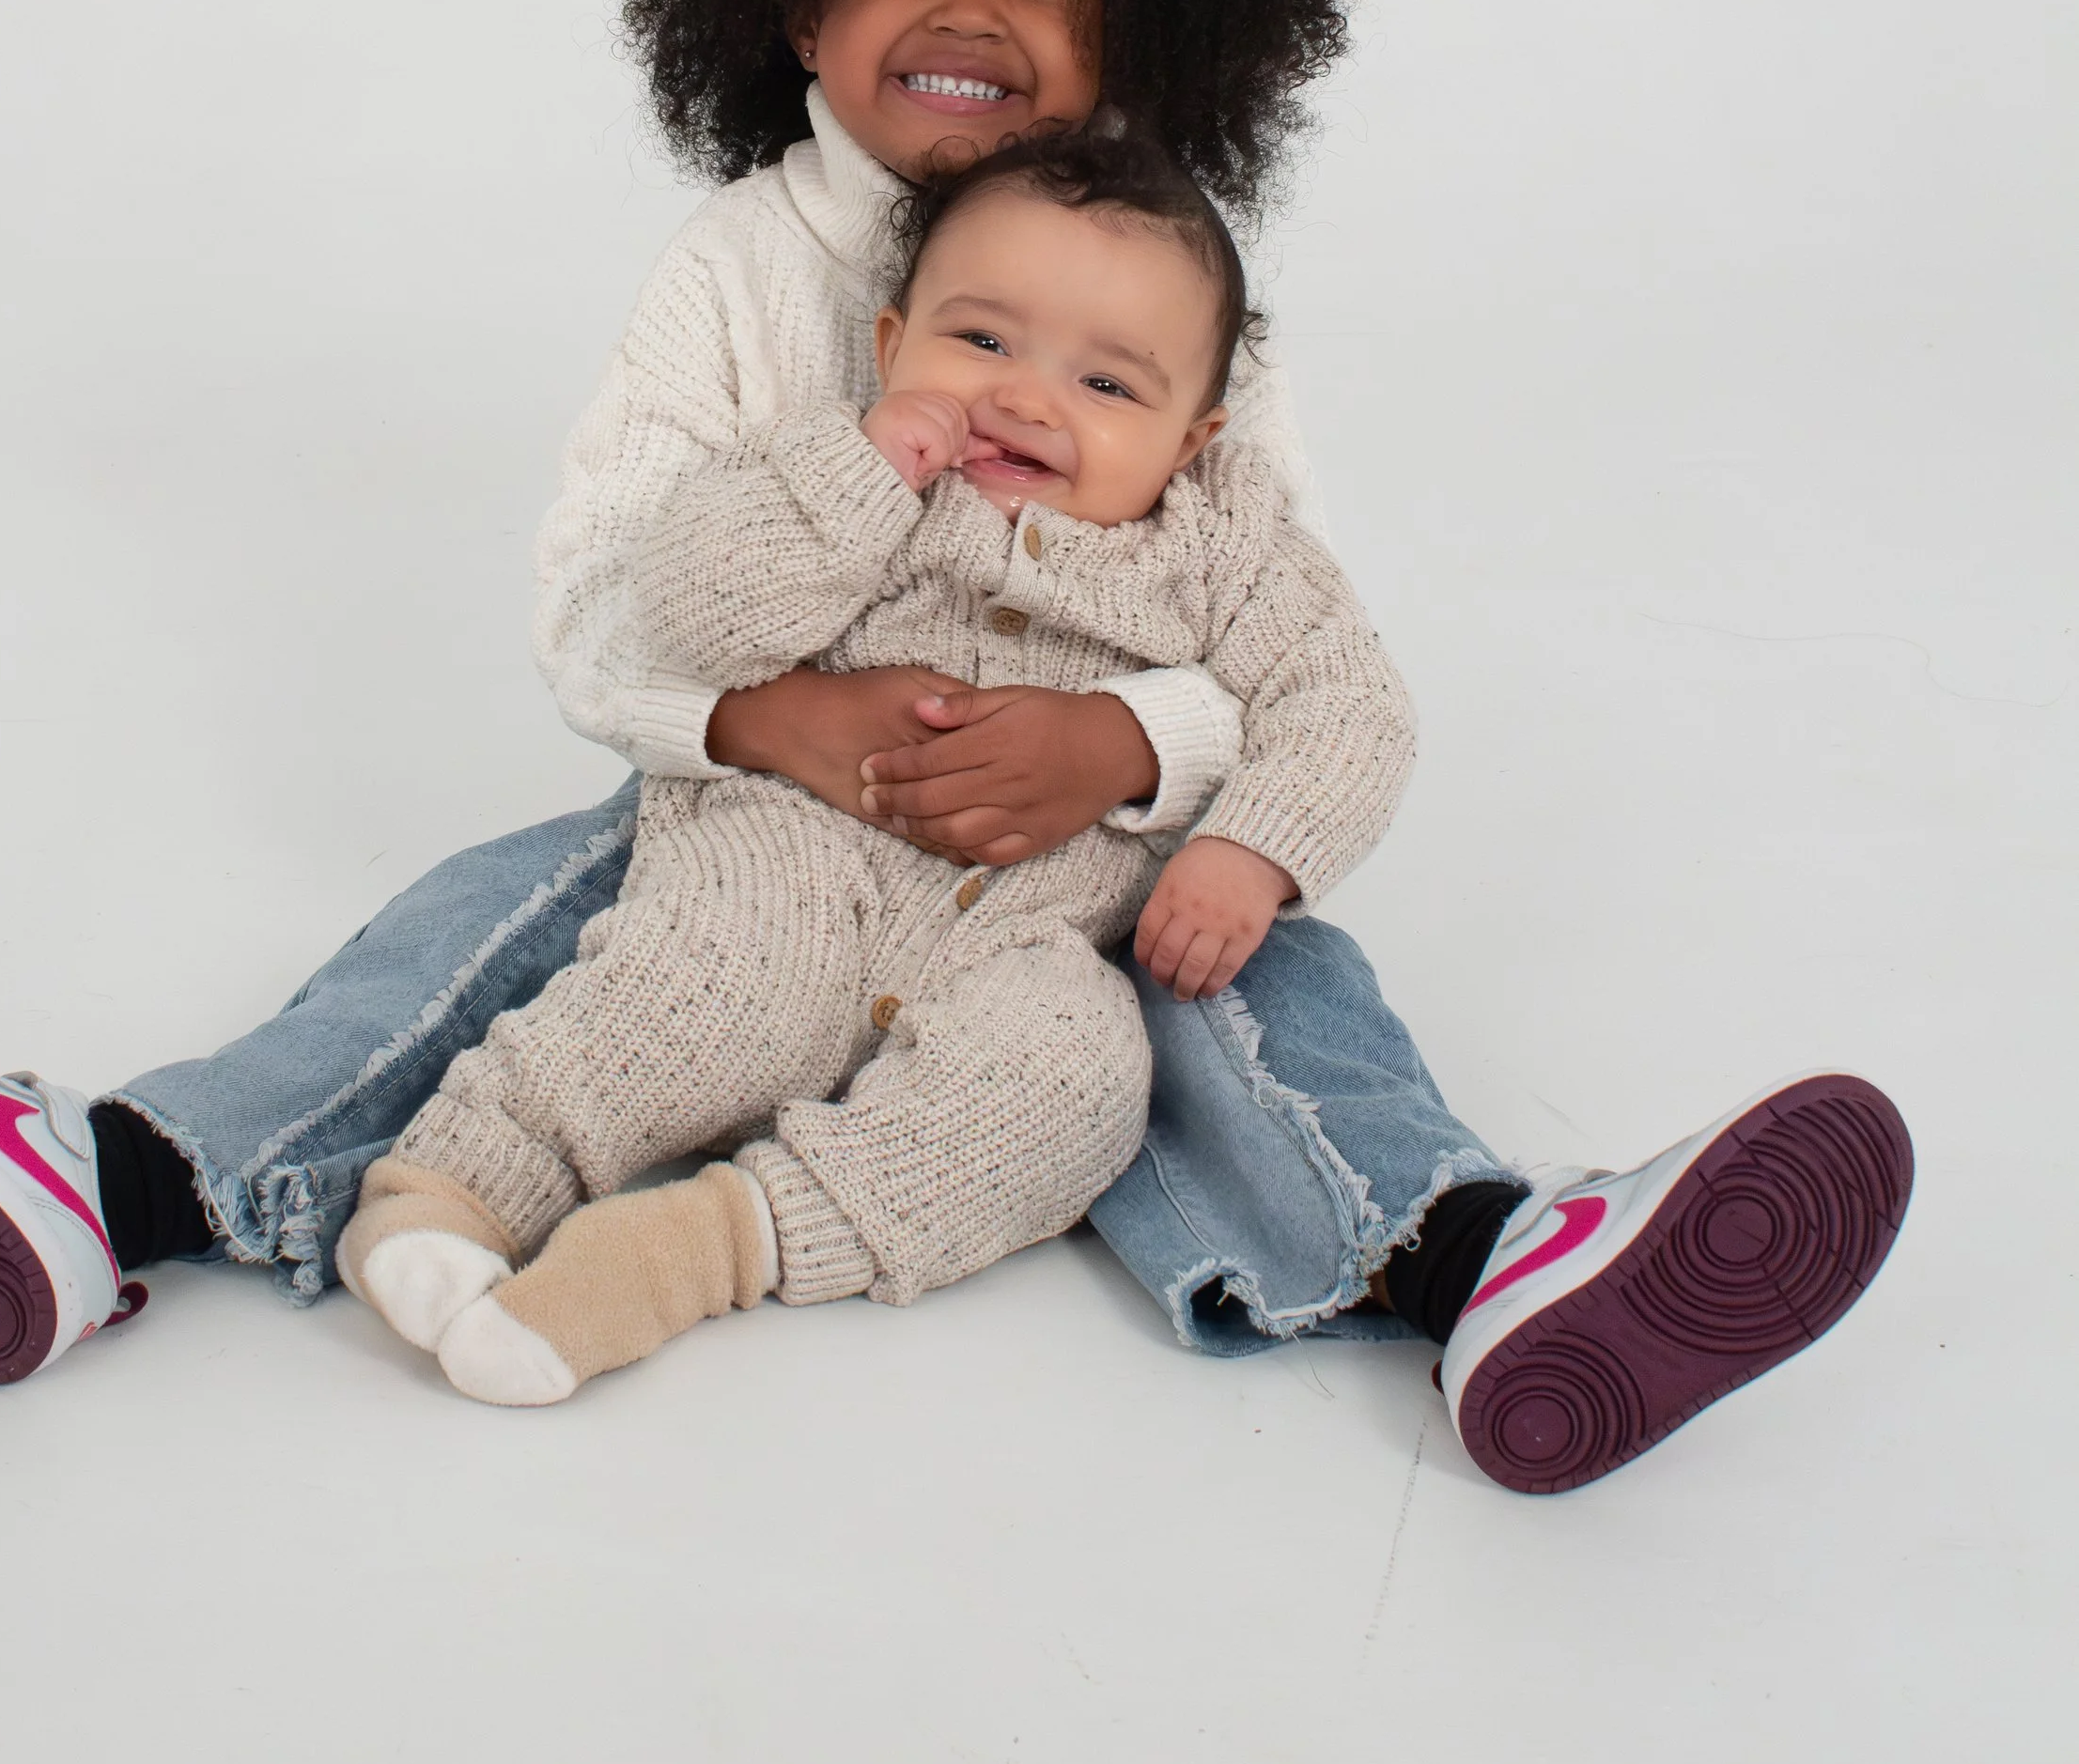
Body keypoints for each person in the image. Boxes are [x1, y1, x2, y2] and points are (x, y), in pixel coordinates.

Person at [0, 0, 1912, 1492]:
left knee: (1248, 988)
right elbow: (599, 606)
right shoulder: (739, 278)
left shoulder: (1193, 301)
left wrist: (1136, 754)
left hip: (1078, 858)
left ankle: (1471, 1261)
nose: (971, 8)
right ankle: (120, 1184)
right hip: (755, 817)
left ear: (1145, 27)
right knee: (504, 919)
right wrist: (756, 722)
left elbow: (1289, 643)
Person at [336, 124, 1408, 1401]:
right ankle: (460, 1181)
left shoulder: (1231, 546)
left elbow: (1349, 701)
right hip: (793, 850)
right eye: (983, 342)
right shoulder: (835, 463)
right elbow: (693, 610)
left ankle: (706, 1243)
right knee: (704, 988)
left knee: (1079, 1082)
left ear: (1193, 438)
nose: (1026, 398)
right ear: (896, 342)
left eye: (1108, 387)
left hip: (1034, 938)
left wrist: (1251, 849)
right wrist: (864, 468)